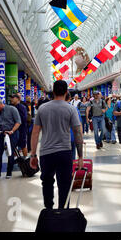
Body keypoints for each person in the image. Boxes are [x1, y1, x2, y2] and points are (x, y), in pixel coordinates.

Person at [29, 80, 83, 210]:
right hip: (64, 152)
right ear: (66, 92)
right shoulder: (71, 109)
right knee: (64, 184)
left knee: (47, 182)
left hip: (46, 153)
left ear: (53, 92)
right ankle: (63, 213)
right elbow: (77, 133)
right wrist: (80, 156)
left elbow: (35, 132)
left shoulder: (42, 108)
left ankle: (49, 210)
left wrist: (33, 155)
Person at [0, 97, 21, 180]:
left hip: (12, 135)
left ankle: (9, 172)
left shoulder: (12, 109)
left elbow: (18, 122)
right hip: (2, 135)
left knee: (10, 154)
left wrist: (12, 131)